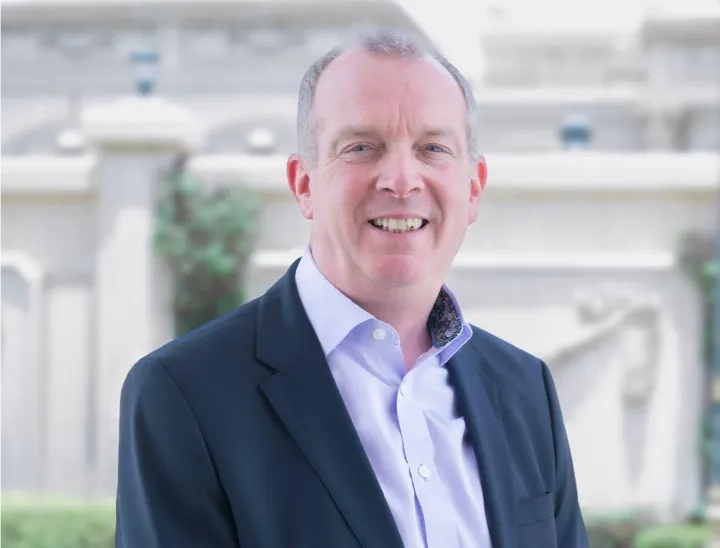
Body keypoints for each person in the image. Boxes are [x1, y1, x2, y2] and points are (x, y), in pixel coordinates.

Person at [115, 28, 589, 548]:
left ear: (473, 188)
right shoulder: (185, 396)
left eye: (433, 148)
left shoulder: (525, 391)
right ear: (304, 184)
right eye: (362, 147)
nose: (402, 180)